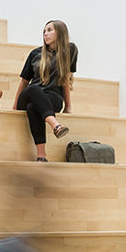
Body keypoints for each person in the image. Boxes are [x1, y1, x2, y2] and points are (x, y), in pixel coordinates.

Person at [14, 21, 77, 161]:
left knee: (33, 108)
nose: (45, 34)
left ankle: (41, 156)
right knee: (33, 89)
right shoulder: (35, 53)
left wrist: (68, 106)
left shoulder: (70, 49)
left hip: (52, 97)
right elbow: (24, 81)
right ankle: (55, 125)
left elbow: (66, 79)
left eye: (49, 30)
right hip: (29, 94)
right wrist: (14, 107)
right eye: (44, 31)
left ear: (60, 32)